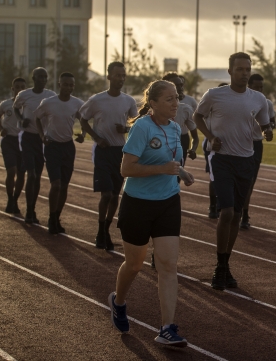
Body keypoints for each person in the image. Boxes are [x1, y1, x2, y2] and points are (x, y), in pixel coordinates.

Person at [108, 80, 193, 346]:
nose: (175, 103)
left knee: (168, 265)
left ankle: (167, 328)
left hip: (168, 202)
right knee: (134, 265)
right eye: (168, 99)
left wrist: (182, 171)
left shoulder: (176, 127)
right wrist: (162, 170)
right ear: (153, 104)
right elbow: (126, 169)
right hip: (138, 203)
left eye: (176, 98)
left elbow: (170, 161)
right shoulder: (142, 127)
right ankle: (118, 301)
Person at [194, 52, 272, 291]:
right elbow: (198, 117)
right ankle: (219, 265)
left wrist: (267, 130)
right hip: (221, 159)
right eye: (240, 69)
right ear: (229, 72)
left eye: (247, 69)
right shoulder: (215, 95)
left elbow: (264, 122)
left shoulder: (258, 99)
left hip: (245, 160)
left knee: (237, 214)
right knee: (226, 212)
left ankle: (226, 264)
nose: (245, 73)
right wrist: (210, 137)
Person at [80, 62, 138, 250]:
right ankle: (100, 230)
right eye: (117, 75)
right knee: (106, 194)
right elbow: (83, 118)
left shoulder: (128, 101)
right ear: (109, 76)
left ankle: (105, 229)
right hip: (103, 152)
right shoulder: (97, 100)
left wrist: (127, 128)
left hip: (119, 152)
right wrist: (96, 137)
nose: (120, 79)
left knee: (114, 196)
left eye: (123, 75)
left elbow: (134, 123)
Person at [34, 72, 85, 234]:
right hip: (52, 147)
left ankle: (57, 217)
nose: (68, 87)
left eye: (71, 85)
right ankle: (51, 217)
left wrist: (83, 134)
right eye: (66, 84)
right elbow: (37, 118)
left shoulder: (77, 103)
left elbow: (84, 118)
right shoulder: (48, 103)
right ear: (59, 84)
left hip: (68, 147)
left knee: (64, 186)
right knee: (55, 184)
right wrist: (42, 136)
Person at [13, 67, 56, 224]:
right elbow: (16, 108)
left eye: (45, 77)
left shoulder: (51, 96)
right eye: (40, 77)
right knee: (31, 174)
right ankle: (29, 210)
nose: (43, 80)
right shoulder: (24, 95)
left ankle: (32, 208)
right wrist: (20, 119)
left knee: (37, 176)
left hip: (42, 140)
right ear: (33, 78)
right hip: (28, 138)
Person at [241, 73, 276, 229]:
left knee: (250, 182)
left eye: (262, 87)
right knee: (239, 180)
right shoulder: (242, 101)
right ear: (249, 86)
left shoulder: (266, 103)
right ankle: (231, 208)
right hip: (240, 143)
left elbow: (271, 123)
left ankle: (244, 214)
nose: (260, 90)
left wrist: (268, 130)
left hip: (256, 144)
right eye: (257, 87)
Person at [0, 77, 27, 215]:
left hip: (23, 142)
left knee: (21, 174)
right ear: (12, 88)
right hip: (8, 141)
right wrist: (1, 128)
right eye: (17, 87)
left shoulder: (28, 106)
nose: (19, 89)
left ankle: (14, 200)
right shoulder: (6, 104)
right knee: (11, 171)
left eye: (22, 87)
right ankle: (10, 199)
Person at [202, 82, 228, 219]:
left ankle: (221, 203)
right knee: (214, 177)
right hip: (212, 143)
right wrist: (211, 137)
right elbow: (200, 117)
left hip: (229, 145)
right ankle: (213, 206)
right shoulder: (212, 104)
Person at [163, 73, 199, 167]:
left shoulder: (186, 107)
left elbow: (195, 134)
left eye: (181, 85)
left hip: (181, 139)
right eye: (176, 85)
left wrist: (193, 149)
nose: (180, 88)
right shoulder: (156, 106)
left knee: (177, 171)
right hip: (162, 139)